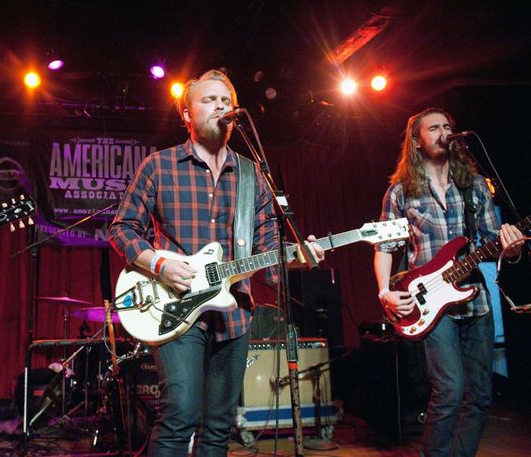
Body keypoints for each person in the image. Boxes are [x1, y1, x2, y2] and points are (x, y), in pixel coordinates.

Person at [109, 69, 324, 456]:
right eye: (209, 100)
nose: (220, 107)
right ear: (186, 114)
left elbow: (268, 255)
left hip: (234, 313)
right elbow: (121, 229)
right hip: (173, 308)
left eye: (225, 101)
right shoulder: (159, 166)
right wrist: (159, 264)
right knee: (180, 414)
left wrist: (300, 257)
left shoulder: (251, 173)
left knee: (218, 427)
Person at [374, 108, 523, 456]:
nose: (443, 132)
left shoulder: (473, 186)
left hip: (477, 301)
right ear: (416, 140)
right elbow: (385, 248)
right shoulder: (400, 193)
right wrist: (385, 293)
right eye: (434, 127)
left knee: (481, 394)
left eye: (447, 126)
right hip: (431, 304)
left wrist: (511, 249)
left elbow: (491, 244)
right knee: (450, 390)